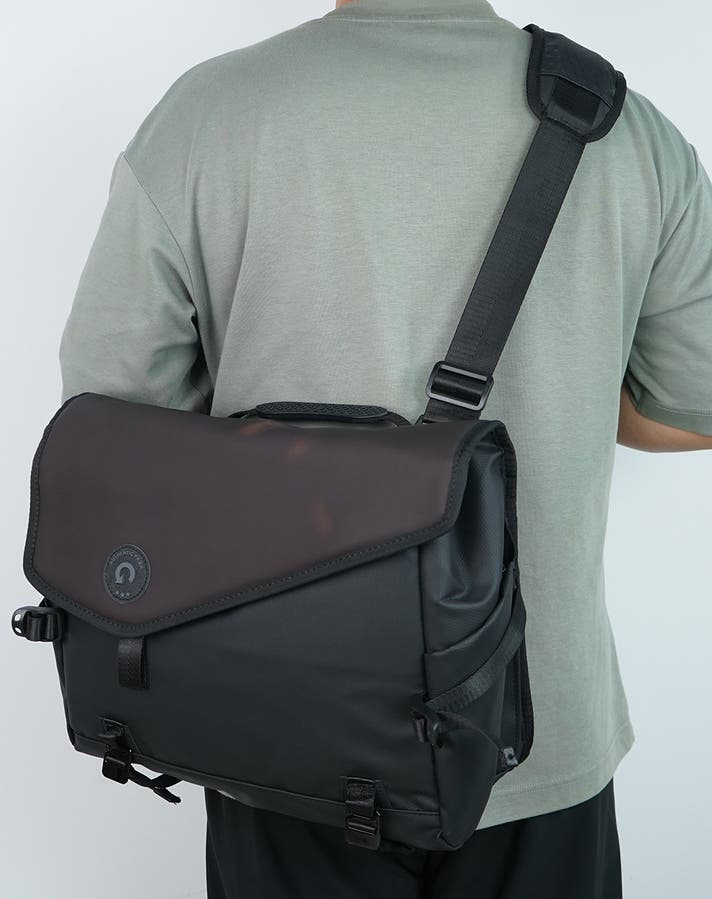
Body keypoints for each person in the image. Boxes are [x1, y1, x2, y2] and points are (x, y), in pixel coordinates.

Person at [58, 0, 712, 895]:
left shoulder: (208, 116)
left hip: (282, 719)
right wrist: (570, 382)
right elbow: (694, 406)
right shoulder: (625, 129)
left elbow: (111, 424)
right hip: (537, 731)